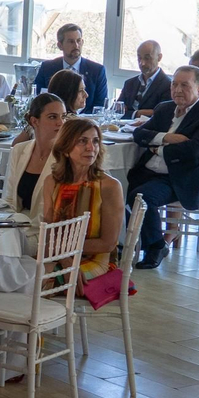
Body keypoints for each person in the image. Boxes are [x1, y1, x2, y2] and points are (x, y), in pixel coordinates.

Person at [126, 65, 199, 270]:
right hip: (147, 171)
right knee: (117, 188)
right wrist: (167, 138)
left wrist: (158, 149)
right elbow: (139, 135)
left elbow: (195, 149)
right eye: (174, 84)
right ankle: (123, 244)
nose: (177, 90)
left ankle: (156, 247)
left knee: (142, 197)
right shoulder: (164, 108)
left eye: (184, 85)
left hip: (180, 177)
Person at [43, 117, 124, 289]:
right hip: (60, 255)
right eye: (82, 141)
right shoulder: (52, 182)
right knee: (25, 272)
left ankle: (55, 315)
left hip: (97, 260)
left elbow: (108, 243)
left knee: (42, 281)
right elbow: (50, 230)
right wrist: (65, 260)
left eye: (95, 141)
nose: (91, 147)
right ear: (65, 149)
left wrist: (64, 253)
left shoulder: (109, 186)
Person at [6, 93, 66, 224]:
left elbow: (58, 211)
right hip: (17, 225)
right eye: (52, 117)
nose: (60, 122)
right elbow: (9, 199)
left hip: (48, 229)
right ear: (34, 121)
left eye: (63, 117)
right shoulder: (19, 150)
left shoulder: (66, 156)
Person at [33, 23, 108, 113]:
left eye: (78, 41)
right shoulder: (47, 68)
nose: (76, 45)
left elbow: (100, 105)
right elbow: (38, 99)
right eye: (71, 41)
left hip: (86, 122)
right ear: (60, 45)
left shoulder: (97, 70)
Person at [119, 40, 170, 118]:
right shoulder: (129, 83)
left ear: (159, 57)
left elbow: (162, 114)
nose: (142, 63)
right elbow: (117, 110)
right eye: (139, 58)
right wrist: (138, 113)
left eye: (147, 58)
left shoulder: (168, 85)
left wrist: (130, 113)